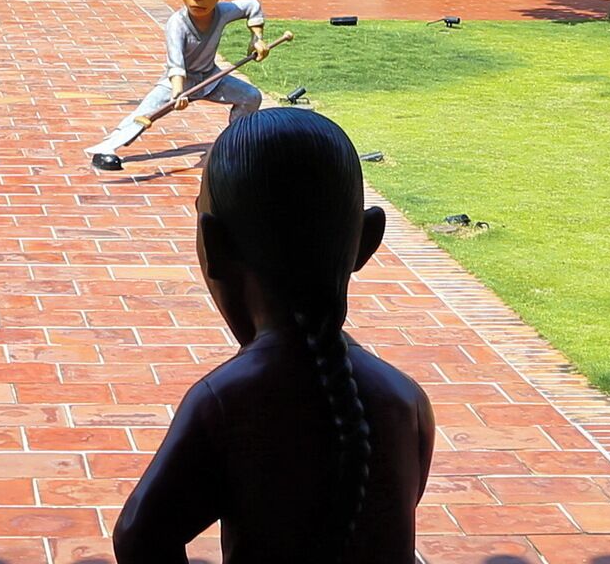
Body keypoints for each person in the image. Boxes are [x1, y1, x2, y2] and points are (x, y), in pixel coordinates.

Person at [110, 109, 433, 564]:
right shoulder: (404, 398)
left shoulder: (225, 401)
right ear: (366, 242)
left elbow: (139, 535)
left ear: (213, 246)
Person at [91, 0, 267, 169]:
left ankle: (230, 146)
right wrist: (177, 92)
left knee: (250, 97)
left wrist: (257, 39)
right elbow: (176, 65)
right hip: (176, 84)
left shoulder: (223, 12)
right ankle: (106, 148)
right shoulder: (177, 24)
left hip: (211, 78)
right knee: (146, 113)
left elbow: (252, 5)